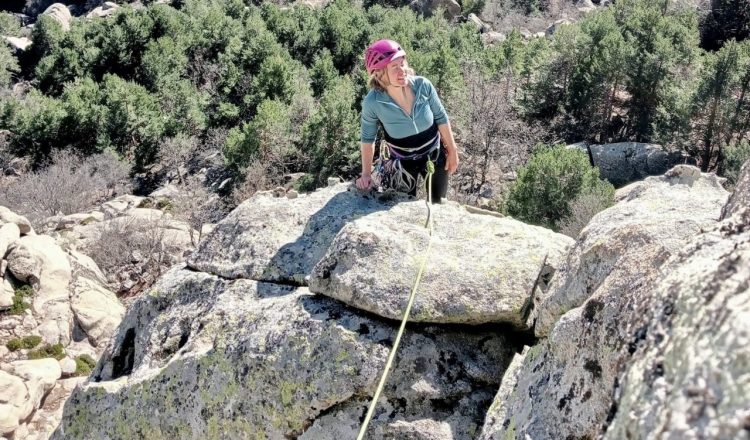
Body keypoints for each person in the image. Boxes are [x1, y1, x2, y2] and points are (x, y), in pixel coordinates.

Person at [355, 39, 459, 203]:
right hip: (402, 163)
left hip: (434, 154)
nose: (402, 70)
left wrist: (452, 150)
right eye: (394, 67)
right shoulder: (373, 102)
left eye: (402, 63)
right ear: (379, 73)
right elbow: (368, 139)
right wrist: (366, 174)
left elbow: (441, 117)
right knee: (400, 204)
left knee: (438, 202)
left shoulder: (422, 86)